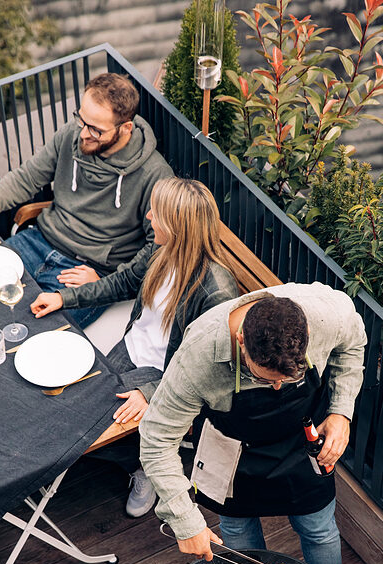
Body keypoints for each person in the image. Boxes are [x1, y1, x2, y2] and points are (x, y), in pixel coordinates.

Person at [139, 286, 367, 564]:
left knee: (319, 530)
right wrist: (186, 521)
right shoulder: (198, 355)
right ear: (242, 340)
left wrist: (341, 411)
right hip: (230, 452)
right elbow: (156, 440)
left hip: (301, 441)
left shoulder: (328, 313)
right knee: (240, 541)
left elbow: (354, 343)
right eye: (268, 379)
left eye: (287, 379)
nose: (278, 388)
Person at [30, 177, 239, 517]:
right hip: (128, 350)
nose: (149, 218)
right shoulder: (160, 250)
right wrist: (63, 297)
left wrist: (152, 391)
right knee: (68, 407)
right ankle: (140, 453)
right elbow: (123, 282)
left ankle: (150, 464)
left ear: (175, 225)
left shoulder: (216, 291)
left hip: (166, 375)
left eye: (156, 213)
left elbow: (210, 371)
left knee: (81, 422)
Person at [0, 73, 172, 298]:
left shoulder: (155, 175)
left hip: (89, 270)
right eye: (81, 120)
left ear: (126, 128)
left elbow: (157, 248)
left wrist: (106, 282)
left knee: (31, 324)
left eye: (95, 130)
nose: (83, 134)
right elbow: (26, 178)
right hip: (37, 241)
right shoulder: (72, 135)